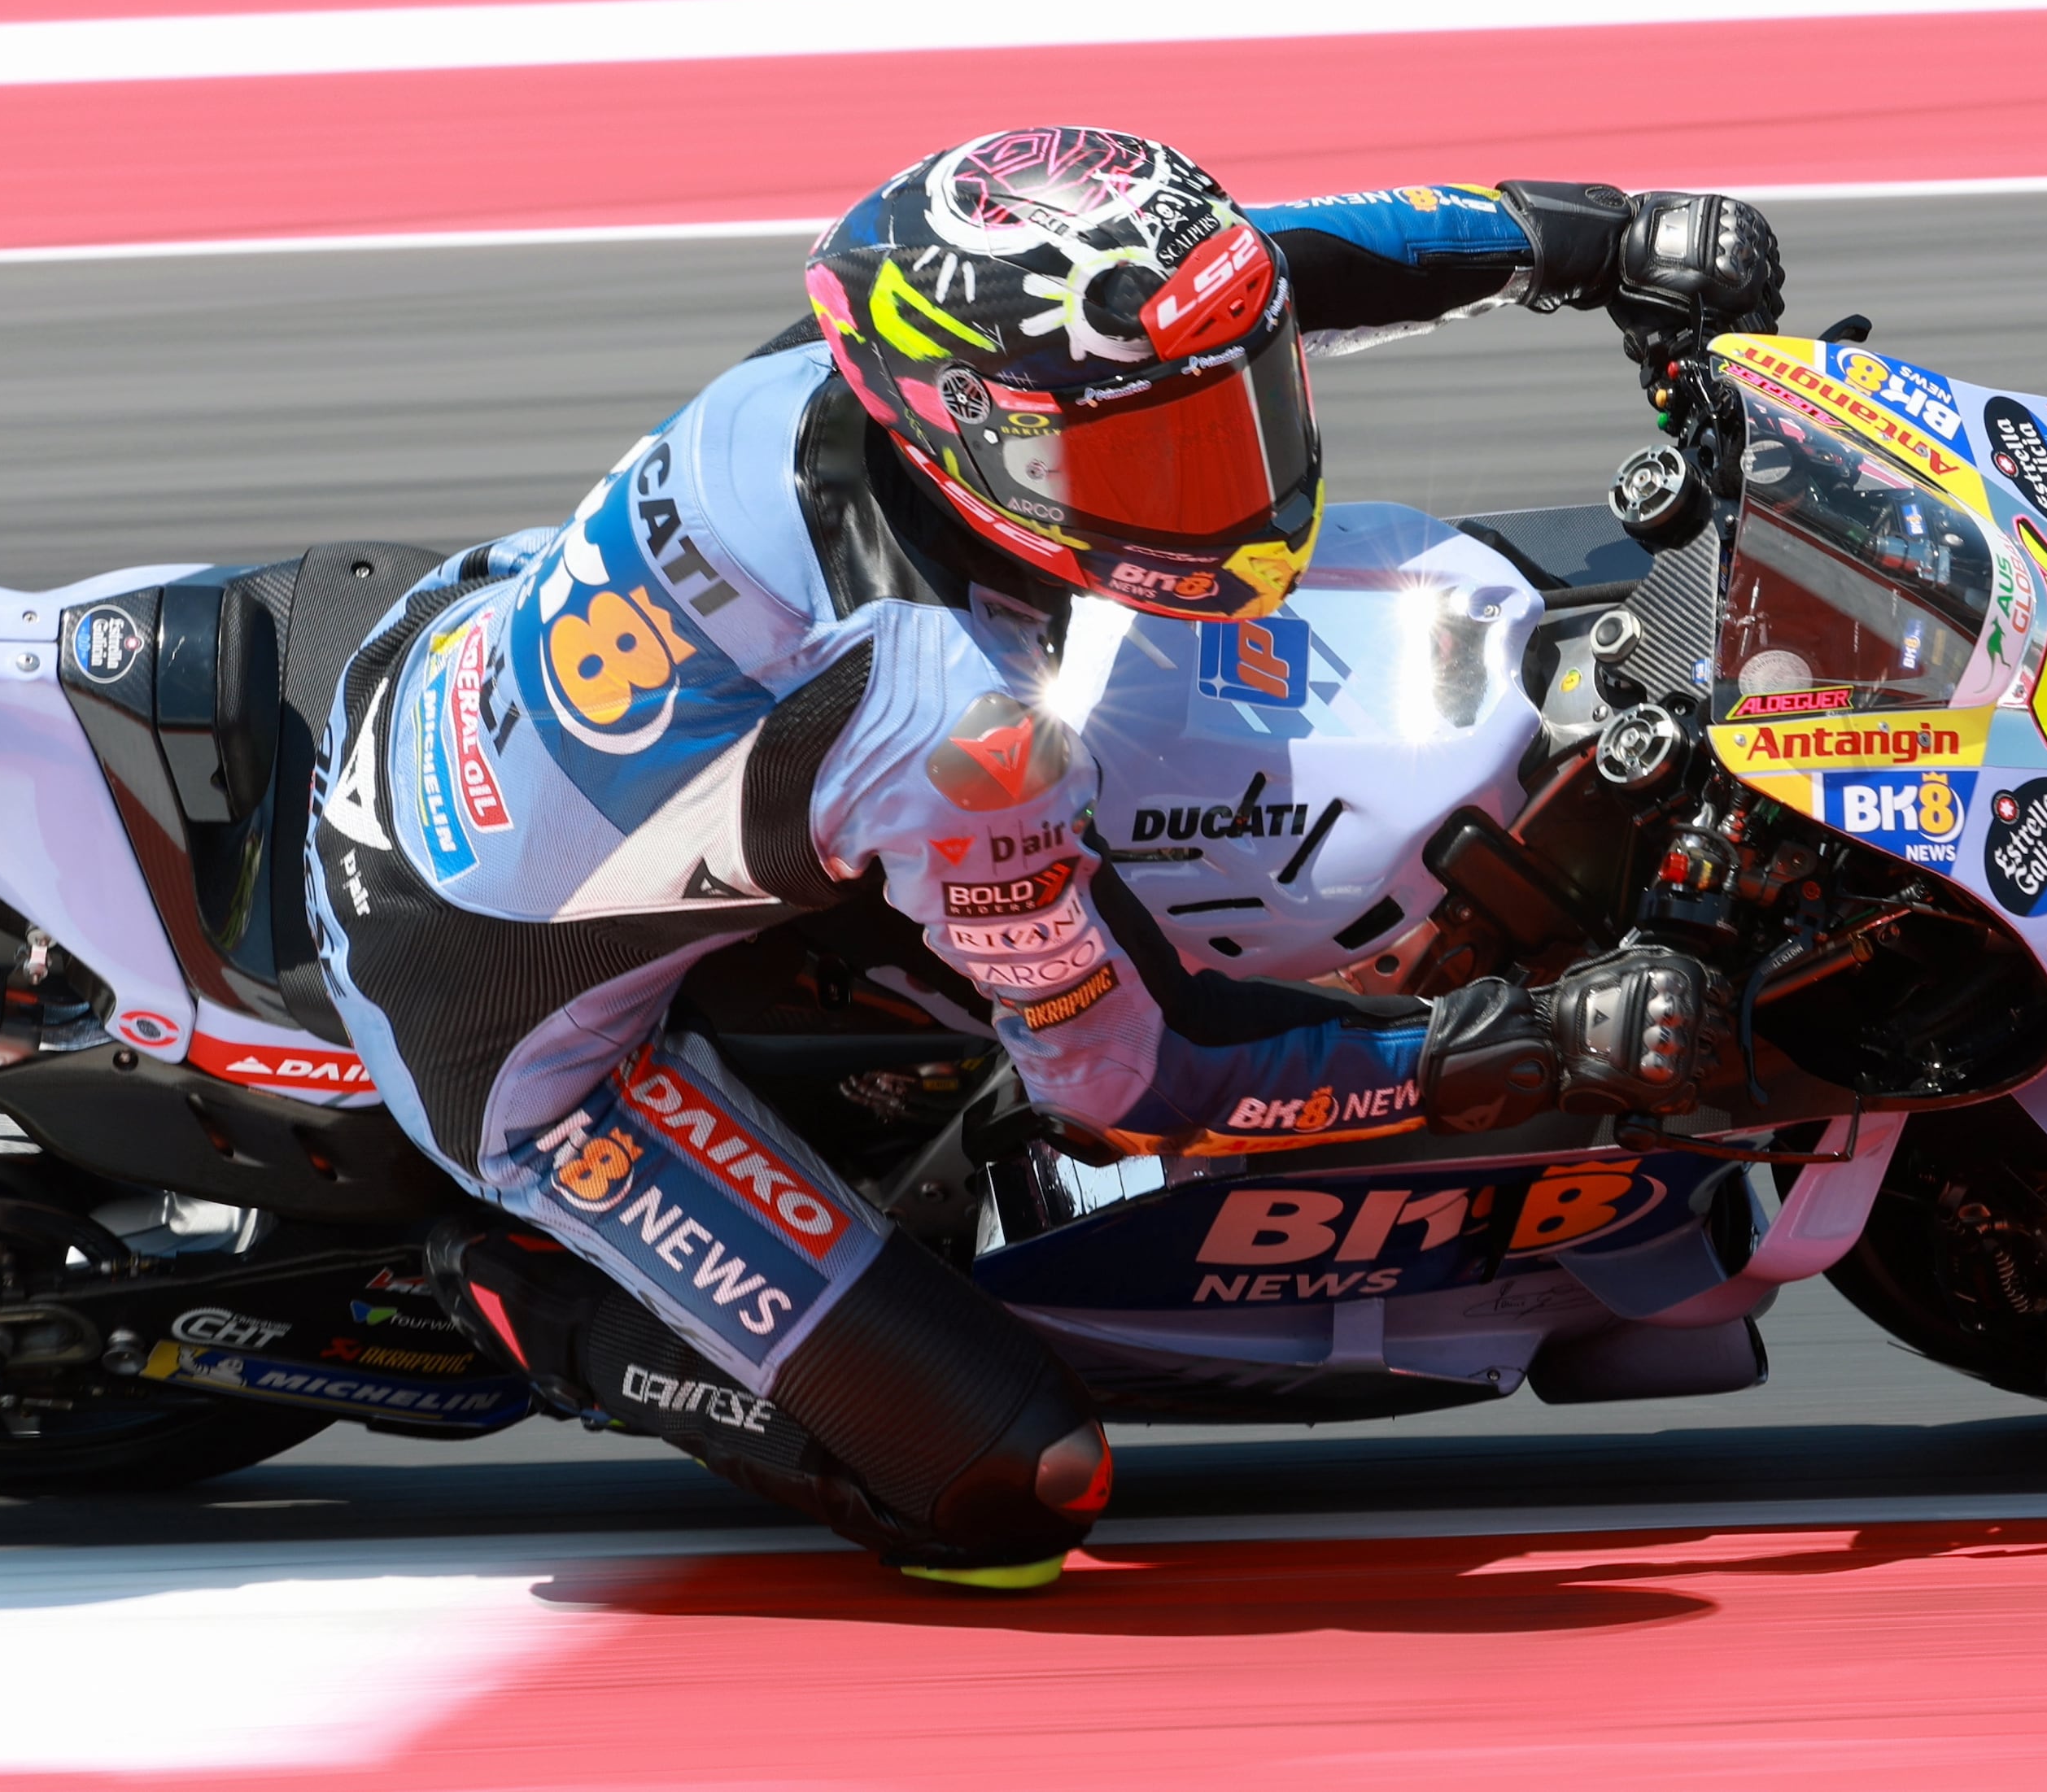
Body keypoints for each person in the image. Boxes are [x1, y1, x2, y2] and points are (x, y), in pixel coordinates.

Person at [305, 129, 1783, 1586]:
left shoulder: (866, 362)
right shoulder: (961, 727)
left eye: (1225, 420)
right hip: (499, 1022)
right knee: (1018, 1487)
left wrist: (1589, 237)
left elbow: (1275, 269)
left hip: (476, 671)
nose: (1220, 487)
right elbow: (1133, 1086)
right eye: (1136, 457)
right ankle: (530, 1292)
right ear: (973, 435)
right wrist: (1504, 1048)